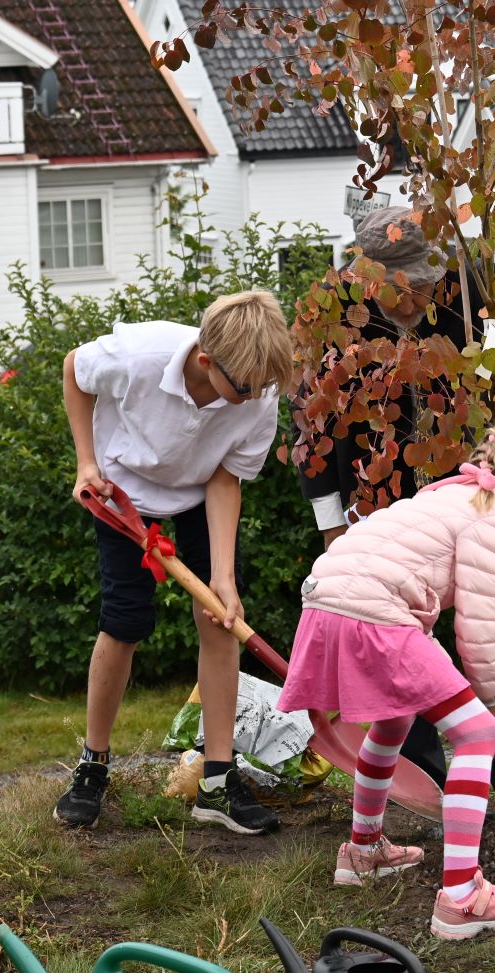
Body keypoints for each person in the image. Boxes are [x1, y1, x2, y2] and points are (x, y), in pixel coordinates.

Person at [276, 411, 495, 939]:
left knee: (392, 722)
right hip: (373, 612)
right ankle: (463, 897)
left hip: (325, 601)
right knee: (478, 734)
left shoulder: (450, 494)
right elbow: (480, 630)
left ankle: (364, 850)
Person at [294, 206, 495, 801]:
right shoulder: (337, 316)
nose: (414, 302)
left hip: (471, 491)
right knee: (400, 648)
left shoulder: (469, 296)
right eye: (401, 289)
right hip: (379, 504)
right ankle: (431, 786)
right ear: (368, 276)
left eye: (425, 286)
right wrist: (333, 524)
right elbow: (309, 428)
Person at [53, 291, 296, 834]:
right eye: (248, 387)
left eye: (264, 387)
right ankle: (92, 766)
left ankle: (218, 776)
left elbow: (225, 477)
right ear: (208, 362)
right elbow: (74, 368)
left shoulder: (256, 390)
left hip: (200, 491)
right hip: (123, 495)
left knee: (220, 619)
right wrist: (86, 462)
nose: (258, 397)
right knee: (125, 620)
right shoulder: (138, 355)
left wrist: (224, 579)